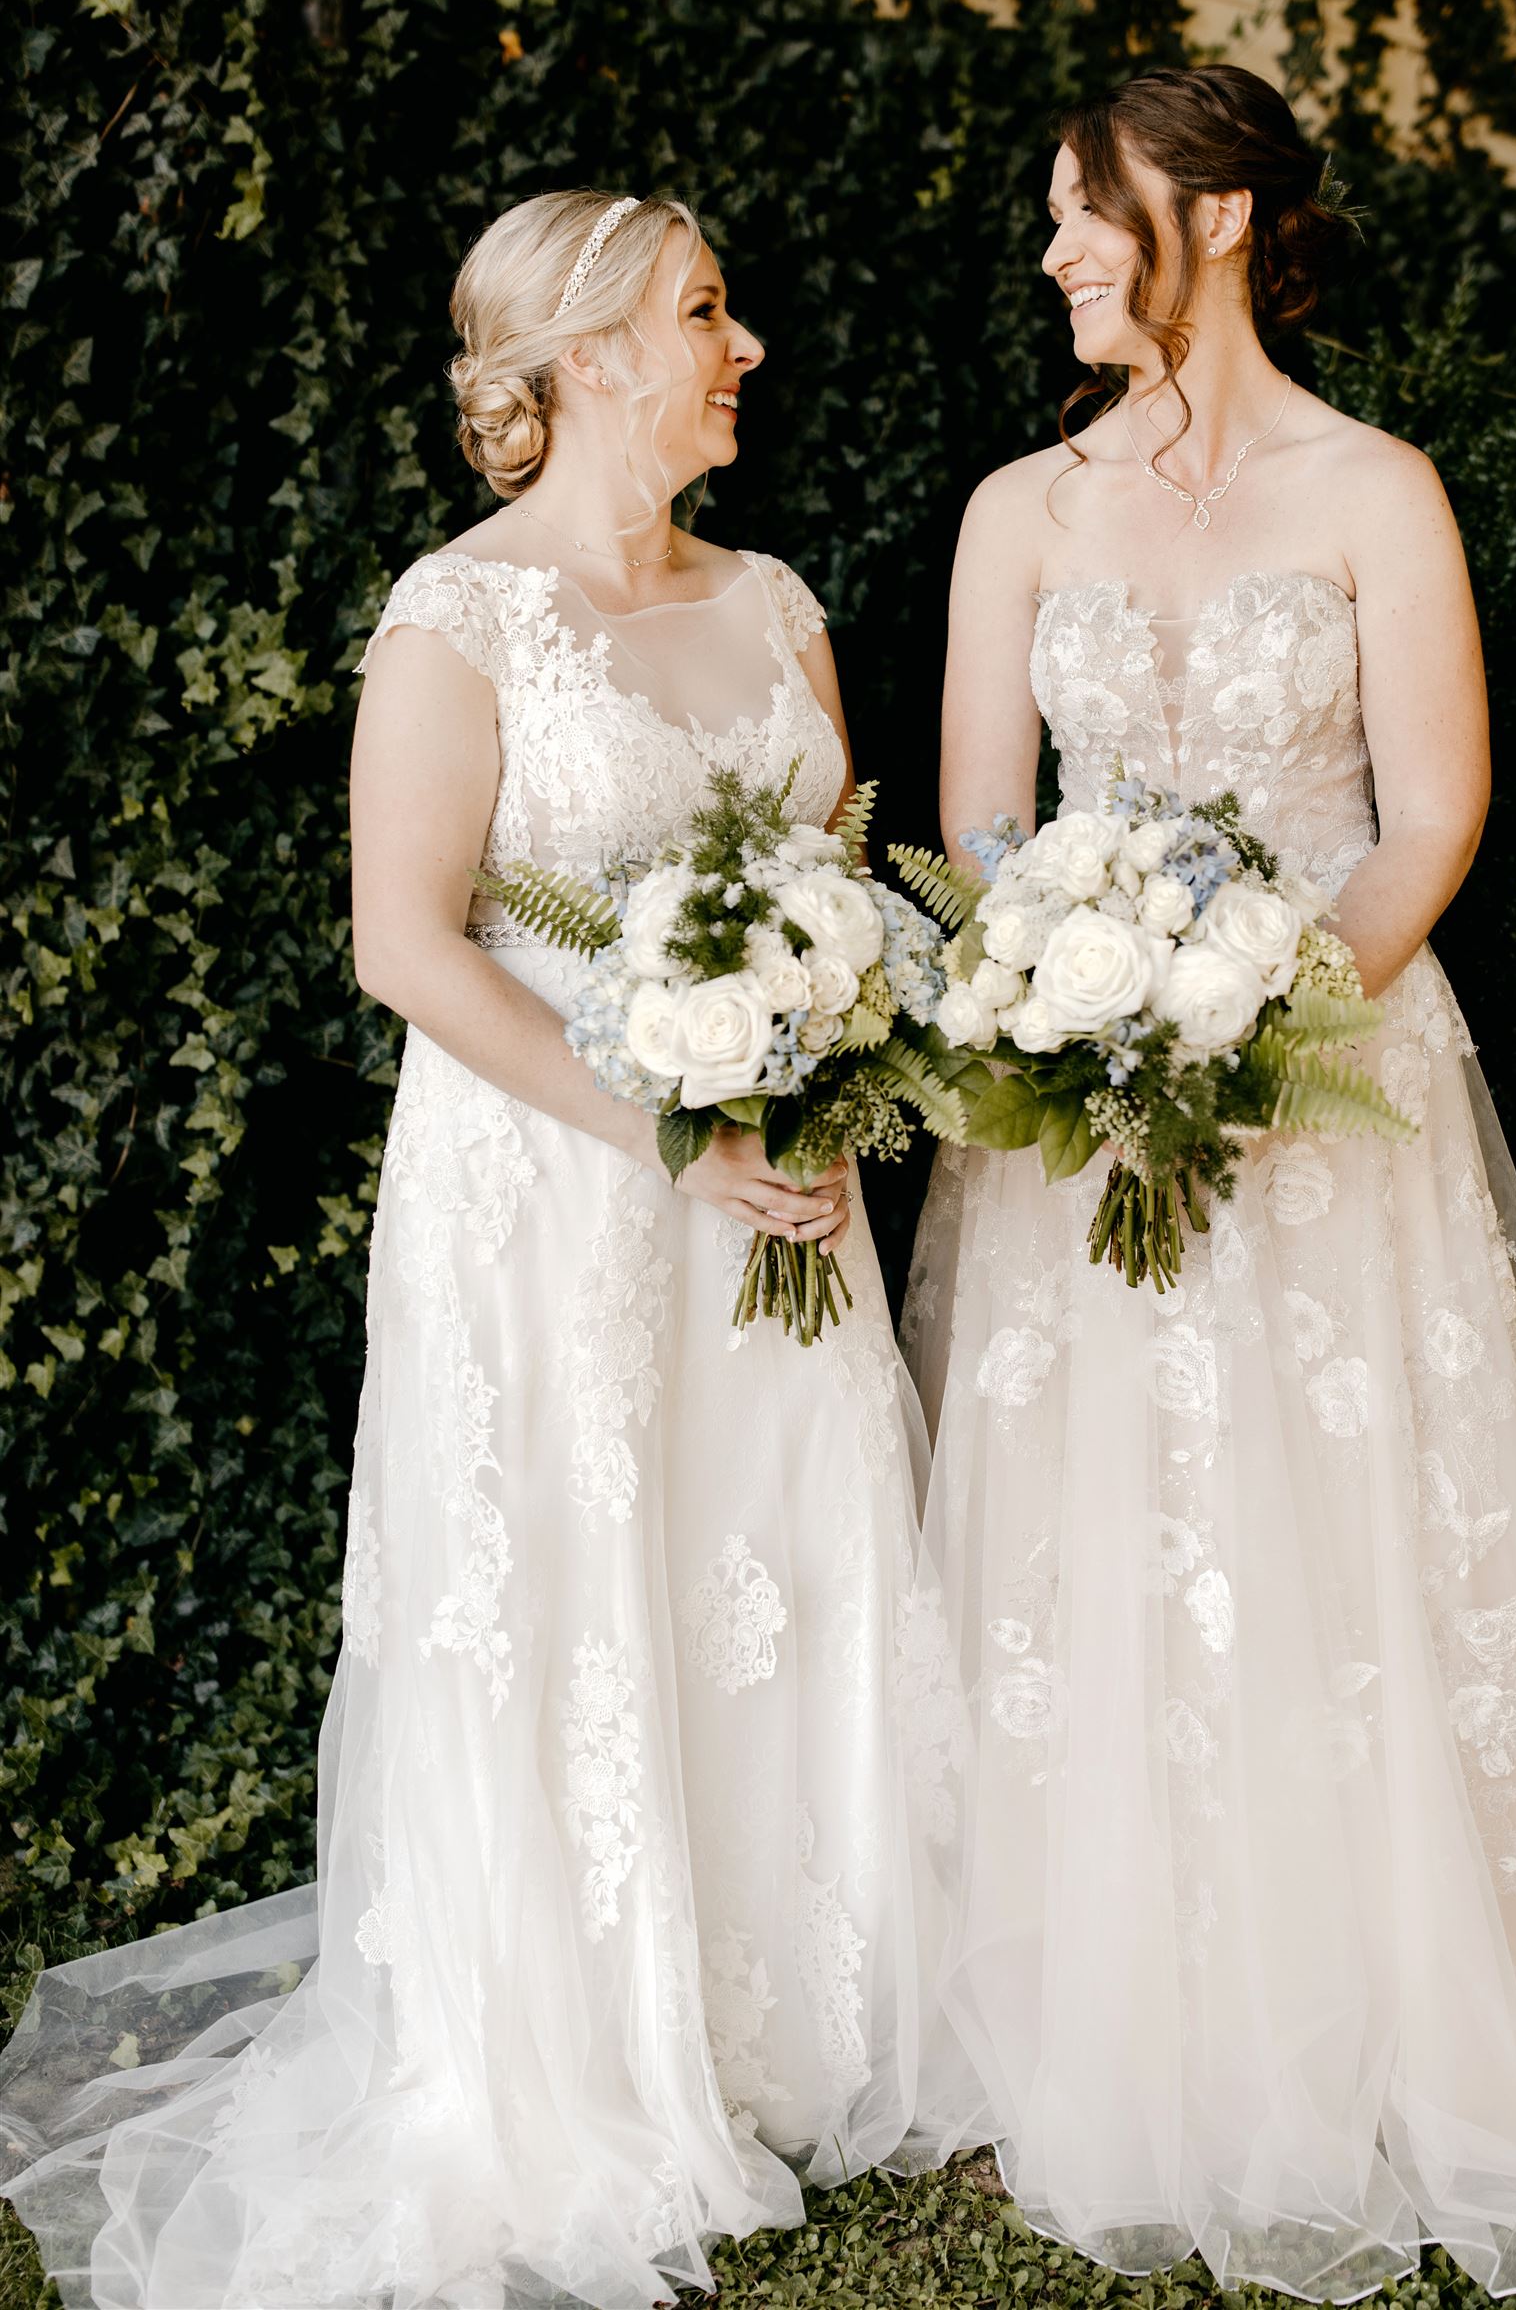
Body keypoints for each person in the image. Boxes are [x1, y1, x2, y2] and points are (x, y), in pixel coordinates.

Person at [0, 189, 976, 2309]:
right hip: (550, 1188)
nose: (747, 347)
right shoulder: (456, 618)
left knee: (772, 1550)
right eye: (707, 314)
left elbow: (826, 890)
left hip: (771, 1183)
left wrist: (809, 1084)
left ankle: (795, 2005)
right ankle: (575, 2045)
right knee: (568, 1560)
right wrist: (671, 1132)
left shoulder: (778, 599)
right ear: (593, 361)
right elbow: (405, 941)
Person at [902, 65, 1516, 2301]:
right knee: (1093, 1531)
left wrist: (1260, 1018)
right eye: (1056, 221)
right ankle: (1113, 1996)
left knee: (1348, 1522)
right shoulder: (1019, 510)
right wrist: (1084, 998)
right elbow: (984, 813)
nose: (1061, 253)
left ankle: (1399, 1982)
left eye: (1091, 213)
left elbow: (1429, 810)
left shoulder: (1376, 490)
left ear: (1231, 215)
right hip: (1076, 1106)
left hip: (1336, 1079)